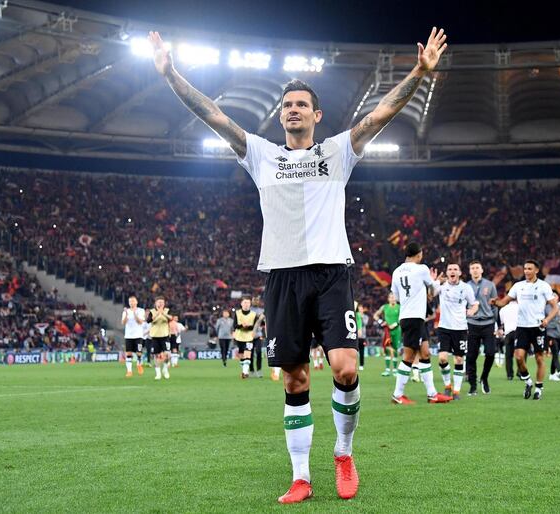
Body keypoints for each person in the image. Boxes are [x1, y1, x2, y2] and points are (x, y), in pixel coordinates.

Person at [149, 24, 447, 504]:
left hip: (332, 273)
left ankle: (344, 453)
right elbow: (215, 116)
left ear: (316, 114)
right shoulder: (261, 155)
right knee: (295, 377)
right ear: (281, 114)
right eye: (287, 105)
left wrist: (419, 71)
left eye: (301, 104)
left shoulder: (337, 151)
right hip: (283, 277)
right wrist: (170, 76)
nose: (293, 110)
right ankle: (301, 476)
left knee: (346, 368)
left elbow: (381, 115)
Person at [389, 242, 452, 404]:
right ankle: (397, 395)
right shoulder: (422, 269)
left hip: (408, 317)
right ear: (419, 254)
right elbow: (433, 291)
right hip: (414, 317)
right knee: (409, 357)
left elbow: (395, 297)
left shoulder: (396, 272)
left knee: (425, 353)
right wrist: (438, 282)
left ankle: (432, 394)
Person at [492, 260, 558, 400]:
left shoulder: (543, 286)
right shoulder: (518, 286)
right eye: (525, 268)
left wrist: (547, 320)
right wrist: (495, 302)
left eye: (530, 268)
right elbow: (503, 302)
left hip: (538, 327)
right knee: (519, 357)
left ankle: (539, 388)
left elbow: (555, 307)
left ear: (536, 270)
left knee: (540, 358)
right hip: (522, 327)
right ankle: (528, 381)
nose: (526, 271)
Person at [434, 262, 479, 400]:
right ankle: (448, 385)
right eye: (449, 269)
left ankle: (457, 391)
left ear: (459, 273)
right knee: (442, 358)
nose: (452, 271)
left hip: (460, 328)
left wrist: (471, 311)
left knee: (459, 359)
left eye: (455, 269)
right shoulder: (441, 287)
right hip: (444, 327)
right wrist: (434, 281)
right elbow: (431, 294)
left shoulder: (466, 288)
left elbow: (475, 303)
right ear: (447, 273)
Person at [465, 260, 499, 395]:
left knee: (491, 353)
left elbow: (495, 305)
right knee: (471, 356)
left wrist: (499, 325)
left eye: (477, 267)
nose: (475, 270)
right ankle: (472, 385)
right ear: (469, 271)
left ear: (482, 270)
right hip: (472, 323)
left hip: (488, 323)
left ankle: (484, 378)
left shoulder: (490, 285)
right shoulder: (465, 286)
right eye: (472, 268)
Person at [374, 292, 401, 377]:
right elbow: (375, 315)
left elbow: (403, 317)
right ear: (388, 299)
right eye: (391, 297)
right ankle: (387, 370)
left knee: (395, 349)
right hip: (387, 331)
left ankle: (395, 370)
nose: (392, 298)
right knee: (387, 349)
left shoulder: (400, 307)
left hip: (397, 330)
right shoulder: (384, 307)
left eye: (394, 297)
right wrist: (381, 322)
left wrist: (396, 324)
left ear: (396, 298)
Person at [147, 296, 172, 381]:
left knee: (168, 355)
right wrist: (158, 313)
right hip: (155, 336)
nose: (160, 303)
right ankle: (158, 373)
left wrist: (163, 313)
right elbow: (148, 320)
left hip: (165, 336)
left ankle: (165, 369)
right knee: (156, 355)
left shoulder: (167, 310)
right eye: (159, 302)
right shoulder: (152, 311)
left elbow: (171, 318)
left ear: (164, 303)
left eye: (162, 302)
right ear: (155, 303)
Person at [234, 296, 259, 379]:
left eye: (248, 303)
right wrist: (241, 326)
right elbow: (235, 325)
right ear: (241, 304)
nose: (246, 304)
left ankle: (245, 372)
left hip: (249, 337)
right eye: (245, 302)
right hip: (239, 337)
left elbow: (255, 327)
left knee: (248, 353)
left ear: (250, 304)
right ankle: (244, 370)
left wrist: (248, 327)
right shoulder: (237, 313)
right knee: (241, 355)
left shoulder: (254, 314)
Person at [121, 295, 145, 377]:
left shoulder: (141, 311)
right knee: (128, 353)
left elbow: (140, 322)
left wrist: (135, 314)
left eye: (133, 301)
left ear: (136, 302)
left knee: (139, 353)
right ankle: (129, 371)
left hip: (138, 335)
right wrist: (127, 315)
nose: (132, 303)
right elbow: (123, 323)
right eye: (130, 301)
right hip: (128, 336)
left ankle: (139, 365)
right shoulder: (125, 311)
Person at [498, 300, 518, 380]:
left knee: (508, 355)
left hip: (508, 333)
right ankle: (520, 372)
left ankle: (509, 374)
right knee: (521, 353)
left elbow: (502, 323)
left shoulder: (503, 309)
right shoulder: (520, 307)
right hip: (518, 332)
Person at [249, 296, 265, 378]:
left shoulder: (262, 311)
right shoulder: (248, 310)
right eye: (254, 300)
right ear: (251, 301)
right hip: (249, 336)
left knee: (259, 352)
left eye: (257, 300)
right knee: (250, 354)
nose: (255, 301)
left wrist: (262, 320)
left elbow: (264, 323)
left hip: (258, 335)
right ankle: (251, 370)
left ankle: (259, 370)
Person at [354, 302, 367, 371]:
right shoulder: (356, 315)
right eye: (359, 309)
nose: (360, 310)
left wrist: (361, 318)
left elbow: (365, 324)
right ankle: (354, 365)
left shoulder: (365, 317)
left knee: (362, 351)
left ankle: (361, 365)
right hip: (356, 336)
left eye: (361, 309)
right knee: (354, 351)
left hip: (363, 337)